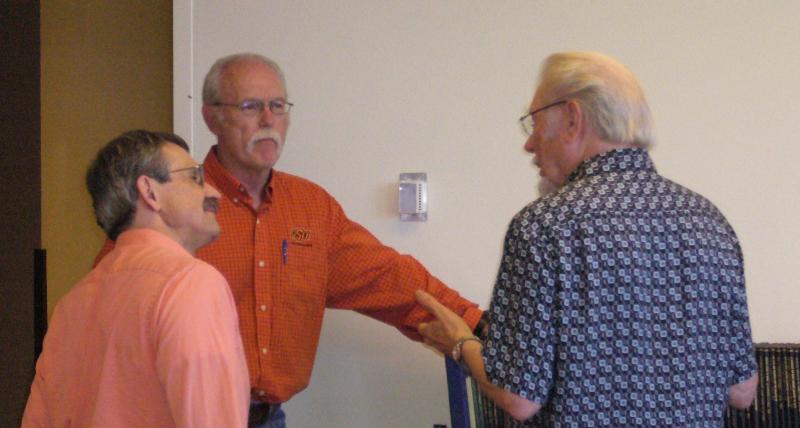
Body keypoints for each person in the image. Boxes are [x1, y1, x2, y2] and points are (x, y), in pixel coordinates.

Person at [95, 53, 484, 427]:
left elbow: (390, 279)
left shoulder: (311, 208)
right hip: (176, 416)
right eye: (250, 106)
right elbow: (110, 307)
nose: (269, 119)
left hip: (270, 418)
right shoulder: (174, 203)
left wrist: (483, 328)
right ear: (212, 117)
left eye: (278, 106)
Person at [417, 51, 758, 426]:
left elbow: (517, 397)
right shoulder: (710, 222)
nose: (529, 145)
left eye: (534, 123)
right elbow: (742, 392)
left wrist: (460, 343)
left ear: (572, 119)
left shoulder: (543, 227)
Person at [23, 130, 250, 427]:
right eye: (195, 177)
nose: (214, 193)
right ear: (150, 192)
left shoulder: (71, 305)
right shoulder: (191, 285)